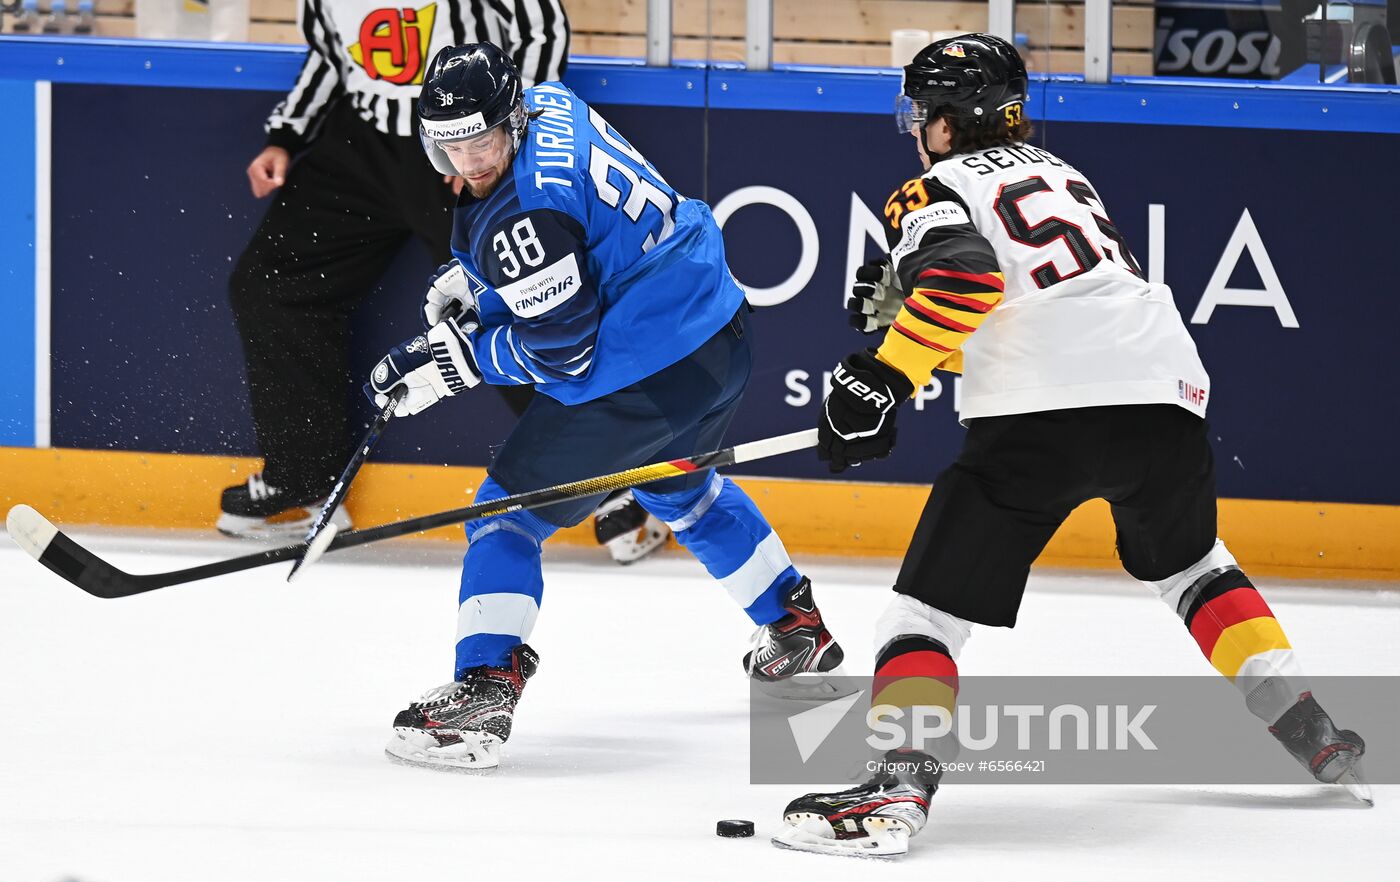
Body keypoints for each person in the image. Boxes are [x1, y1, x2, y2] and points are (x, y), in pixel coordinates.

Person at [772, 34, 1369, 858]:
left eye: (924, 113)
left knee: (923, 617)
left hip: (1039, 421)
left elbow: (968, 283)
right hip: (1167, 400)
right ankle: (1310, 725)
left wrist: (884, 375)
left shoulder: (927, 188)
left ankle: (897, 790)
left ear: (949, 121)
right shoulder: (1063, 175)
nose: (916, 129)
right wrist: (922, 349)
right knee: (1193, 566)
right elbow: (1035, 307)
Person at [365, 43, 848, 771]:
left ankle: (484, 690)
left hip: (644, 368)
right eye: (450, 146)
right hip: (718, 338)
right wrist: (487, 285)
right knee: (679, 484)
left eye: (482, 141)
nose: (468, 163)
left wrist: (454, 362)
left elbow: (564, 354)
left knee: (506, 514)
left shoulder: (519, 216)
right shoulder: (553, 102)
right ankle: (793, 624)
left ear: (511, 119)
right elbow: (589, 237)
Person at [217, 0, 569, 540]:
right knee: (270, 285)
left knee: (515, 304)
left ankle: (618, 478)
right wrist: (286, 134)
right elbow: (332, 54)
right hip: (362, 144)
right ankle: (306, 478)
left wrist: (491, 142)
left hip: (464, 147)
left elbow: (542, 30)